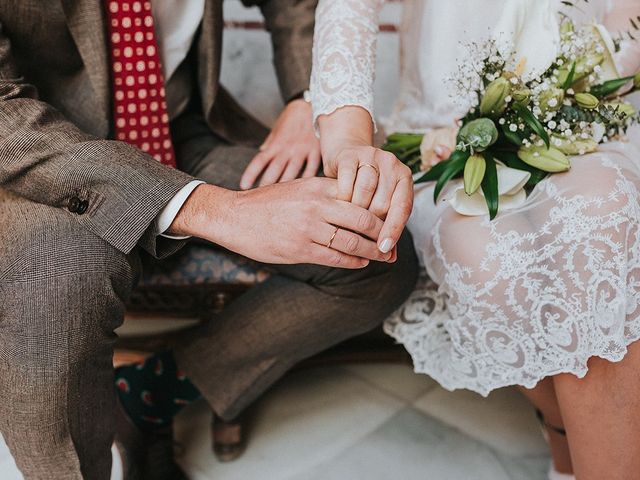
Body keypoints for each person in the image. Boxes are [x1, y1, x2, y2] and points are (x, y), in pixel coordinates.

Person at [0, 0, 420, 478]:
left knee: (369, 252)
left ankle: (145, 394)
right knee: (57, 281)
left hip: (176, 130)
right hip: (43, 158)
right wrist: (222, 212)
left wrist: (309, 98)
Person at [310, 0, 640, 479]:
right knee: (488, 261)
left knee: (597, 219)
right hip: (442, 135)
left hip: (580, 116)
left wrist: (562, 92)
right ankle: (567, 439)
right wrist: (347, 139)